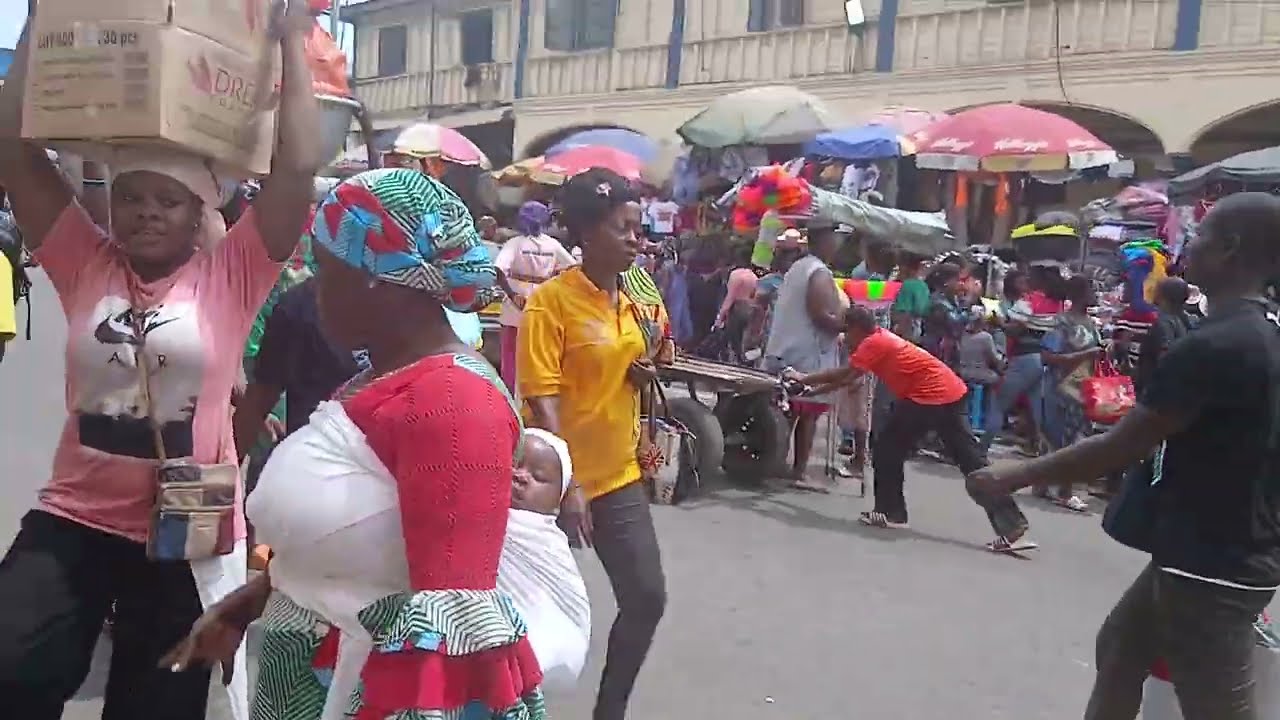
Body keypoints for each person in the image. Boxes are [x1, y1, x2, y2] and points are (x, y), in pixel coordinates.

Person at [0, 4, 321, 717]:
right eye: (131, 197)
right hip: (75, 516)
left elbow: (298, 164)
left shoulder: (232, 277)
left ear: (201, 213)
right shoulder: (84, 261)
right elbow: (15, 150)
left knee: (154, 706)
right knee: (13, 667)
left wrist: (292, 41)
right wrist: (38, 22)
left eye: (166, 201)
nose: (145, 212)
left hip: (184, 532)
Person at [164, 169, 546, 719]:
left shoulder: (454, 402)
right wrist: (251, 602)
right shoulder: (381, 375)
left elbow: (450, 638)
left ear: (378, 279)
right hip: (314, 676)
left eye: (326, 270)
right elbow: (362, 536)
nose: (313, 291)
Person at [968, 192, 1280, 720]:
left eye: (1198, 238)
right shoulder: (1261, 333)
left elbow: (1122, 443)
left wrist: (1012, 476)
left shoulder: (1219, 344)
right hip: (1208, 546)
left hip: (1212, 561)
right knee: (1119, 650)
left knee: (1218, 706)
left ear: (1229, 250)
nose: (1185, 247)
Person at [518, 168, 669, 720]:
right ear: (585, 232)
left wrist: (637, 368)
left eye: (638, 227)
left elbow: (620, 359)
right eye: (623, 227)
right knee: (526, 606)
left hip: (619, 476)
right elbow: (540, 395)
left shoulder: (628, 298)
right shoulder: (551, 303)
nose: (636, 238)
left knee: (646, 598)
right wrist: (569, 484)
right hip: (551, 486)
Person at [793, 306, 1033, 551]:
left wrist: (804, 380)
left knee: (887, 449)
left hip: (929, 397)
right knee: (971, 461)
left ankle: (890, 511)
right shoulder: (881, 339)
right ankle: (1012, 524)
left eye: (847, 330)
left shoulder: (872, 343)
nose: (846, 337)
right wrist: (810, 390)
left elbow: (844, 375)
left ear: (856, 328)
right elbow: (848, 378)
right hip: (949, 391)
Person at [501, 428, 591, 691]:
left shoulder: (550, 543)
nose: (521, 476)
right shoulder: (482, 511)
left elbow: (567, 597)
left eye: (539, 477)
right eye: (515, 464)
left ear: (558, 499)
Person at [765, 219, 846, 491]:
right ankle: (799, 471)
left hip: (788, 348)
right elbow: (821, 315)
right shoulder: (817, 271)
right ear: (823, 241)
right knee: (807, 414)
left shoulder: (799, 267)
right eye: (834, 239)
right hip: (806, 353)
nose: (837, 245)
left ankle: (779, 463)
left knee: (791, 412)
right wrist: (848, 326)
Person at [494, 201, 577, 392]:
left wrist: (512, 293)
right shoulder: (553, 245)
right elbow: (572, 267)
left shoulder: (514, 244)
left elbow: (499, 269)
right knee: (540, 356)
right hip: (543, 303)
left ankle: (511, 399)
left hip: (515, 306)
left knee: (511, 358)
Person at [1038, 274, 1102, 512]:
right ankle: (1064, 491)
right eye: (1091, 289)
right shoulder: (1061, 323)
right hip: (1061, 387)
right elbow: (1047, 356)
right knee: (1062, 439)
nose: (1095, 294)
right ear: (1078, 294)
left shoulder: (1091, 323)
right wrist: (1083, 355)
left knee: (1072, 438)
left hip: (1082, 389)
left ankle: (1045, 485)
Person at [1133, 276, 1193, 396]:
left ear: (1162, 295)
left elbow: (1165, 355)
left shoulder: (1164, 322)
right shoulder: (1187, 320)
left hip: (1157, 391)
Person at [957, 307, 1004, 436]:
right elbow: (994, 358)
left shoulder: (963, 335)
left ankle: (975, 416)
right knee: (998, 379)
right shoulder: (986, 337)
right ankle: (989, 417)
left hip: (963, 372)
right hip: (980, 374)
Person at [890, 253, 930, 342]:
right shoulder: (923, 285)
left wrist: (898, 332)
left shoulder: (905, 285)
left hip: (906, 330)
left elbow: (905, 312)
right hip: (918, 328)